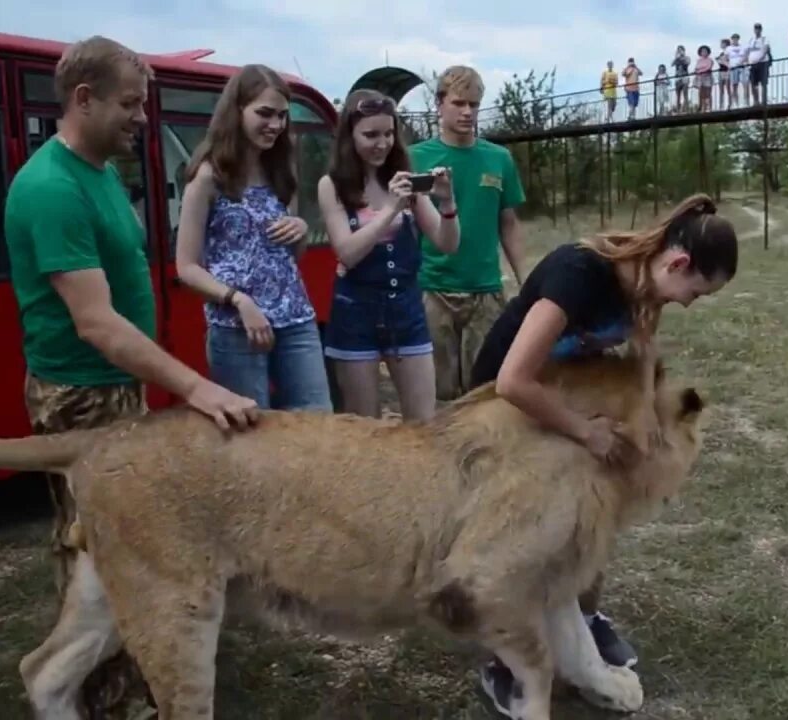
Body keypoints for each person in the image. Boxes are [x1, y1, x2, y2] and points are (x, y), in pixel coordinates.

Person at [3, 35, 260, 720]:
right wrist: (196, 386)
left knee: (126, 539)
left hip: (113, 388)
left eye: (142, 104)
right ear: (82, 99)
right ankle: (103, 697)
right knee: (98, 544)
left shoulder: (98, 171)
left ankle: (114, 674)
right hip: (79, 396)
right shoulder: (51, 188)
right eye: (129, 103)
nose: (141, 117)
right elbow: (97, 323)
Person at [469, 193, 739, 716]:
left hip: (562, 402)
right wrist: (585, 432)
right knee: (525, 540)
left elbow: (643, 351)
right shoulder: (581, 272)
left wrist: (642, 417)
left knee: (588, 518)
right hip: (501, 411)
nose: (689, 302)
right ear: (678, 263)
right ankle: (504, 663)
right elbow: (511, 380)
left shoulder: (647, 286)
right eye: (696, 292)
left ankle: (582, 626)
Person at [174, 64, 333, 413]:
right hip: (236, 329)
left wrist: (300, 229)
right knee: (251, 433)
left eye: (282, 116)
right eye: (264, 113)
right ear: (237, 111)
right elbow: (185, 268)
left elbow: (293, 257)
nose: (275, 124)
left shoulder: (280, 170)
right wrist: (239, 301)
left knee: (317, 422)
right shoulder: (207, 178)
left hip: (296, 319)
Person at [317, 89, 460, 421]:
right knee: (364, 429)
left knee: (423, 425)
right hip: (355, 314)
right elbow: (347, 253)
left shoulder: (405, 180)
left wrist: (448, 203)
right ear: (349, 136)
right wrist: (390, 209)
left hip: (406, 311)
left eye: (388, 133)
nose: (382, 143)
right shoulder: (333, 185)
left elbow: (446, 243)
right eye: (370, 135)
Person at [408, 65, 528, 403]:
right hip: (432, 289)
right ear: (439, 104)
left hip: (486, 292)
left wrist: (527, 281)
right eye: (459, 103)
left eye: (474, 105)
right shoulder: (416, 157)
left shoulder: (498, 158)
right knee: (437, 393)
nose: (467, 112)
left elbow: (509, 223)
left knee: (486, 393)